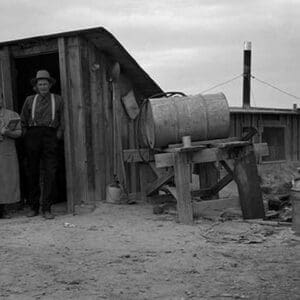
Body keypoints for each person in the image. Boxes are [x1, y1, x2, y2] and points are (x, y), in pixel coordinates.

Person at [21, 70, 64, 219]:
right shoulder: (29, 100)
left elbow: (63, 120)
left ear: (50, 85)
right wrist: (27, 137)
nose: (43, 86)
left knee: (50, 172)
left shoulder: (57, 99)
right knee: (32, 171)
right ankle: (33, 207)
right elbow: (23, 121)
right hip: (33, 135)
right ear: (36, 86)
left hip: (50, 136)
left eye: (45, 83)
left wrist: (57, 135)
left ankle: (47, 208)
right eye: (40, 84)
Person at [0, 96, 22, 219]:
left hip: (6, 152)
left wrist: (8, 133)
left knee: (6, 181)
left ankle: (5, 210)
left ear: (2, 100)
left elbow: (19, 133)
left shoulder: (12, 115)